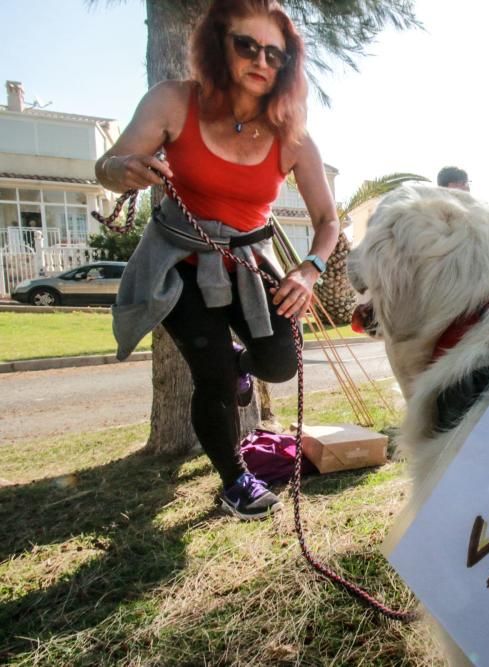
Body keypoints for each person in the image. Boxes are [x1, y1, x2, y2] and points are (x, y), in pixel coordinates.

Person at [94, 0, 340, 520]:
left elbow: (328, 221)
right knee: (214, 378)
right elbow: (107, 165)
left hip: (250, 261)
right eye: (246, 45)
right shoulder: (172, 102)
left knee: (280, 362)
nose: (261, 60)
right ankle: (235, 482)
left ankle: (241, 369)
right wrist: (126, 170)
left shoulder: (292, 136)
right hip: (180, 260)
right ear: (217, 44)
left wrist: (309, 268)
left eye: (276, 53)